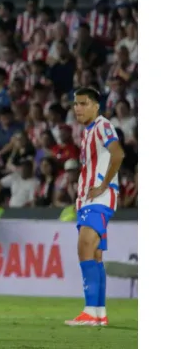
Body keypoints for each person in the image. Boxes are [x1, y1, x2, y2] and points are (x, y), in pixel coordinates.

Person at [65, 87, 124, 327]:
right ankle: (98, 313)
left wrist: (102, 186)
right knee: (96, 255)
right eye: (76, 103)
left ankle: (90, 311)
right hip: (88, 199)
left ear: (95, 105)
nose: (78, 108)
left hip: (98, 199)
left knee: (85, 248)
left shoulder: (102, 125)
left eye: (83, 103)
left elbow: (118, 154)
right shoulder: (88, 131)